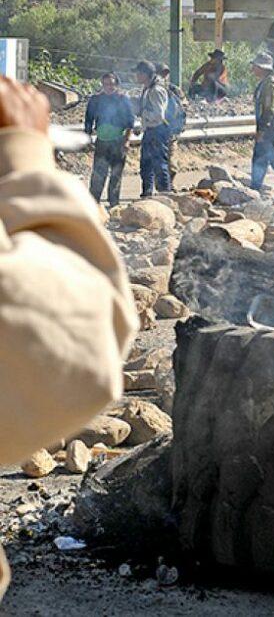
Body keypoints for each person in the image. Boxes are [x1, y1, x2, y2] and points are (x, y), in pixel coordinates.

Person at [0, 76, 138, 597]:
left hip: (112, 145)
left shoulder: (119, 104)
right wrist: (24, 163)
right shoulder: (101, 102)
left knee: (115, 175)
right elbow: (84, 349)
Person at [84, 72, 134, 207]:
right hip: (102, 141)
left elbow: (130, 122)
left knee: (116, 174)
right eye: (106, 84)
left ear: (117, 84)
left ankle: (114, 204)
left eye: (112, 84)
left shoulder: (123, 99)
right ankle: (93, 203)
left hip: (118, 141)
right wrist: (88, 137)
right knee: (98, 174)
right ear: (102, 85)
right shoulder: (96, 100)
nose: (109, 87)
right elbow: (89, 120)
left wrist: (126, 140)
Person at [133, 60, 170, 198]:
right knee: (146, 165)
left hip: (157, 131)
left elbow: (158, 115)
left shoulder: (156, 91)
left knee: (159, 164)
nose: (136, 76)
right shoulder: (147, 89)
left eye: (138, 73)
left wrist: (143, 113)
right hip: (150, 131)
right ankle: (147, 193)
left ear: (145, 74)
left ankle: (164, 195)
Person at [250, 53, 274, 191]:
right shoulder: (265, 83)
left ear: (262, 68)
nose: (253, 69)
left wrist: (262, 130)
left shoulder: (269, 85)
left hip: (268, 131)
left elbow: (269, 110)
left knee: (266, 160)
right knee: (266, 160)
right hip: (268, 130)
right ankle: (255, 188)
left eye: (255, 66)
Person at [156, 62, 185, 184]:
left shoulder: (171, 90)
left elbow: (182, 108)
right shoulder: (172, 89)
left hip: (166, 129)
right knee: (164, 158)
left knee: (167, 159)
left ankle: (167, 184)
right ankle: (165, 184)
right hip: (164, 129)